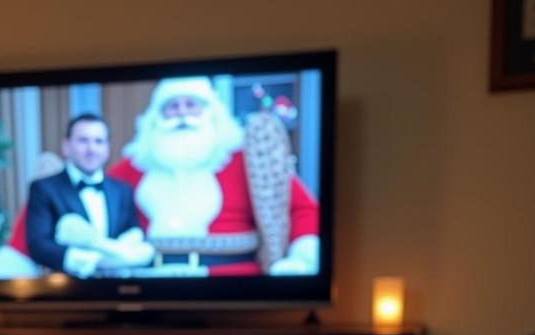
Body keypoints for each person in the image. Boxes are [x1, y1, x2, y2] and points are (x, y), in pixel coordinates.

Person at [109, 77, 320, 276]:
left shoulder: (249, 160)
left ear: (211, 112)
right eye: (172, 106)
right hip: (149, 285)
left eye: (191, 105)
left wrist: (302, 258)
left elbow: (304, 209)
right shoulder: (132, 167)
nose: (182, 114)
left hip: (233, 287)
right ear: (156, 117)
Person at [25, 114, 153, 278]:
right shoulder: (43, 188)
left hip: (117, 290)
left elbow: (133, 233)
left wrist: (122, 253)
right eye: (83, 141)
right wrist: (95, 261)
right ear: (66, 146)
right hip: (67, 292)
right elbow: (38, 246)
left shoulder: (122, 190)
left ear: (107, 148)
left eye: (98, 141)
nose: (91, 149)